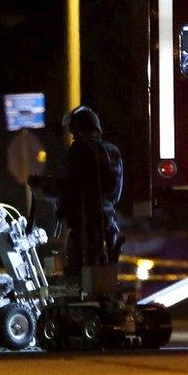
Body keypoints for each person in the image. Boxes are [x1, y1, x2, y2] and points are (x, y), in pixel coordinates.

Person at [59, 106, 125, 279]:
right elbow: (115, 193)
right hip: (108, 223)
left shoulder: (78, 150)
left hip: (84, 226)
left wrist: (62, 211)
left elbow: (70, 187)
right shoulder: (112, 151)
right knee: (105, 277)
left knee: (78, 278)